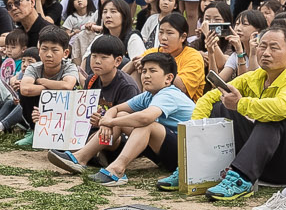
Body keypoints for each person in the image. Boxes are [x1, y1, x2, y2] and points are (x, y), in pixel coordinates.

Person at [191, 16, 286, 202]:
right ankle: (201, 167)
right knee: (222, 106)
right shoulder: (256, 76)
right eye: (262, 46)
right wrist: (194, 129)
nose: (266, 52)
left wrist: (240, 104)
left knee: (273, 118)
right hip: (265, 163)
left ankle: (240, 179)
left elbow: (281, 108)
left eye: (274, 48)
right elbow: (209, 97)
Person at [73, 52, 197, 185]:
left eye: (152, 71)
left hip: (188, 158)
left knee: (147, 124)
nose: (146, 75)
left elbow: (145, 118)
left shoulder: (170, 94)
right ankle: (80, 158)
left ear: (168, 78)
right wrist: (106, 122)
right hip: (167, 154)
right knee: (122, 116)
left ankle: (117, 169)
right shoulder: (148, 95)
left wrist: (110, 121)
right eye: (144, 71)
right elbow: (116, 109)